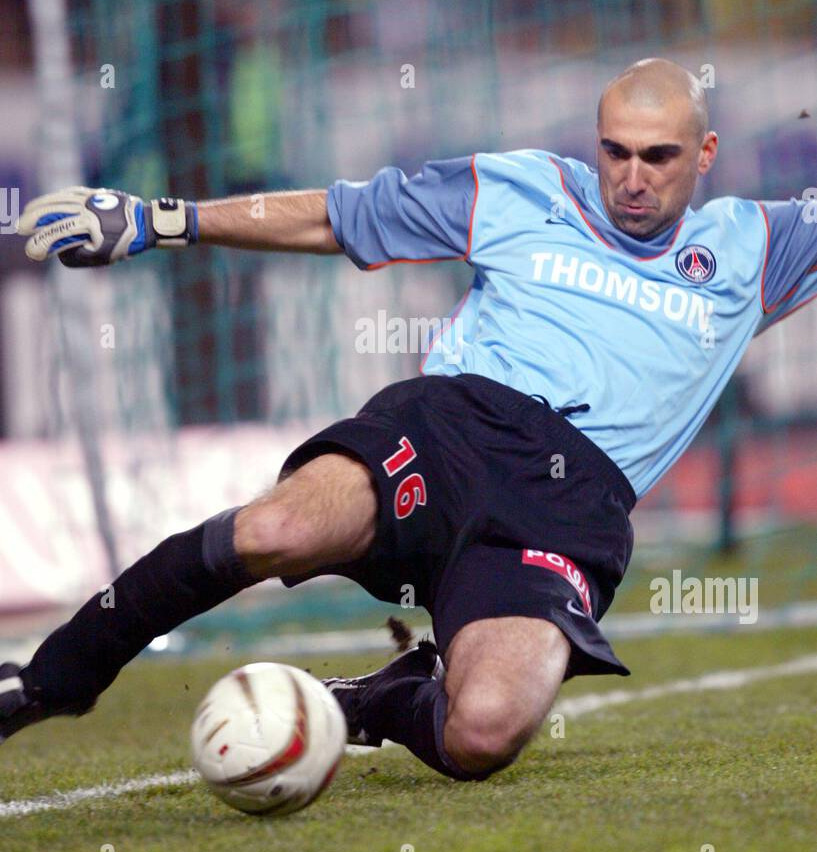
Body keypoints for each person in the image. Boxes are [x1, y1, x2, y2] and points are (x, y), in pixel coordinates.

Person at [2, 59, 813, 781]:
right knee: (275, 530)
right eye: (615, 151)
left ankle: (378, 698)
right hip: (447, 429)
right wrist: (162, 221)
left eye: (658, 157)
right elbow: (337, 217)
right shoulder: (519, 188)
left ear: (703, 157)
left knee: (484, 732)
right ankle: (48, 679)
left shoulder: (753, 248)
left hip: (567, 511)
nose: (631, 177)